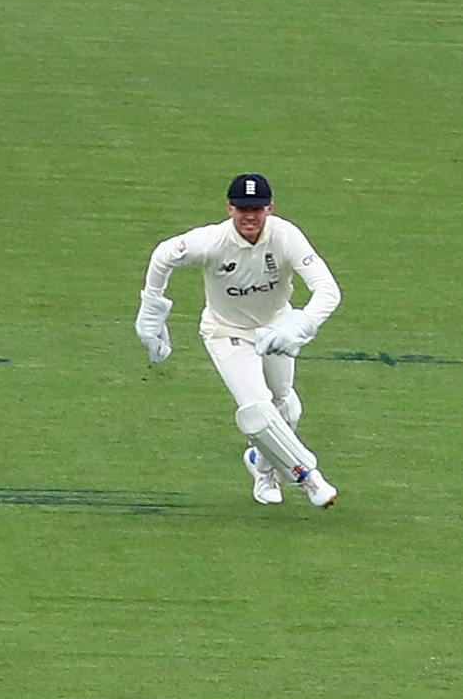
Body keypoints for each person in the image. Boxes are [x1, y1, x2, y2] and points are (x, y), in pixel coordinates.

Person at [136, 174, 344, 508]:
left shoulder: (286, 236)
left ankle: (262, 465)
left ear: (270, 208)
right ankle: (309, 479)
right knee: (256, 411)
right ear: (229, 208)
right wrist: (152, 310)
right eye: (242, 208)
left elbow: (328, 289)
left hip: (275, 330)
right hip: (225, 332)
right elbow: (163, 256)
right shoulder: (212, 241)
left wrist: (298, 326)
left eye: (257, 209)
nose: (250, 216)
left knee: (285, 406)